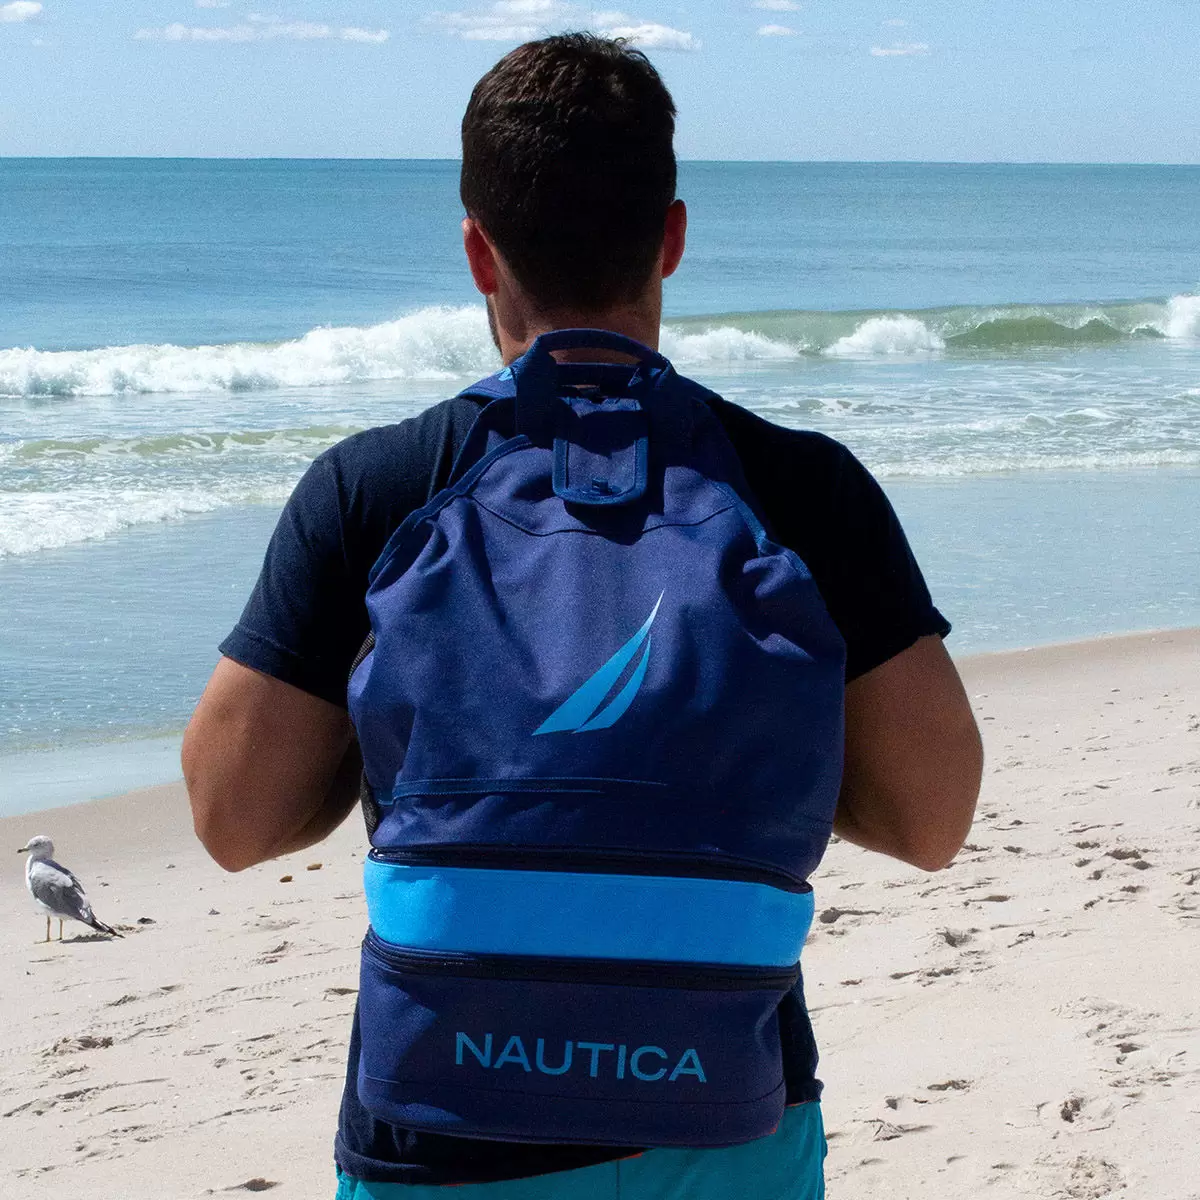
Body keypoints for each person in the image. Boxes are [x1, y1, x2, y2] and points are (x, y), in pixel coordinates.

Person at [183, 33, 982, 1200]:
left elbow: (232, 818)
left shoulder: (378, 490)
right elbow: (933, 817)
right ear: (672, 238)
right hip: (724, 1122)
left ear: (478, 251)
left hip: (446, 1139)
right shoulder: (803, 490)